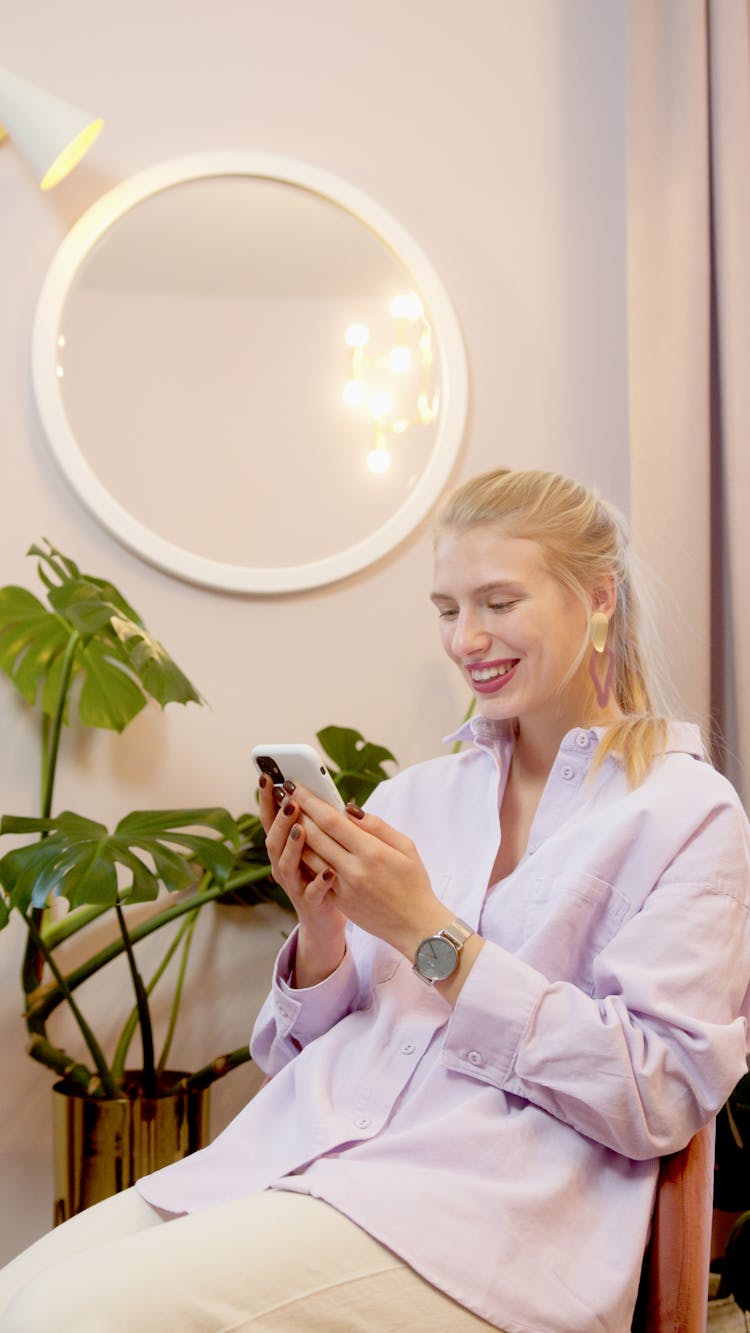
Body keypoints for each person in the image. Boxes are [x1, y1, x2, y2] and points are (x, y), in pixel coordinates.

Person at [1, 467, 749, 1332]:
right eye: (446, 608)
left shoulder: (684, 810)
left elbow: (657, 1096)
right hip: (304, 1162)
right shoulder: (415, 798)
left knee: (60, 1316)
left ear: (599, 598)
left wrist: (429, 932)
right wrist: (320, 927)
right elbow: (311, 1058)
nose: (467, 638)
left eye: (498, 602)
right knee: (19, 1296)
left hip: (481, 1225)